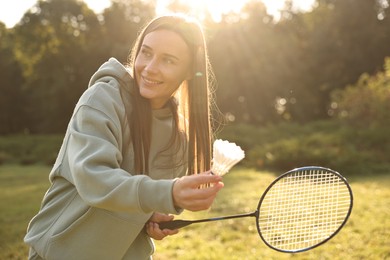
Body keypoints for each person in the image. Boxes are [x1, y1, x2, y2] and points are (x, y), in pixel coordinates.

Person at [24, 14, 224, 260]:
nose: (150, 68)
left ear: (189, 72)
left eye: (168, 60)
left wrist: (147, 217)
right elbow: (94, 178)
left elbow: (139, 195)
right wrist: (168, 193)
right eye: (146, 53)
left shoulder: (178, 134)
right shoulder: (102, 99)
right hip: (61, 252)